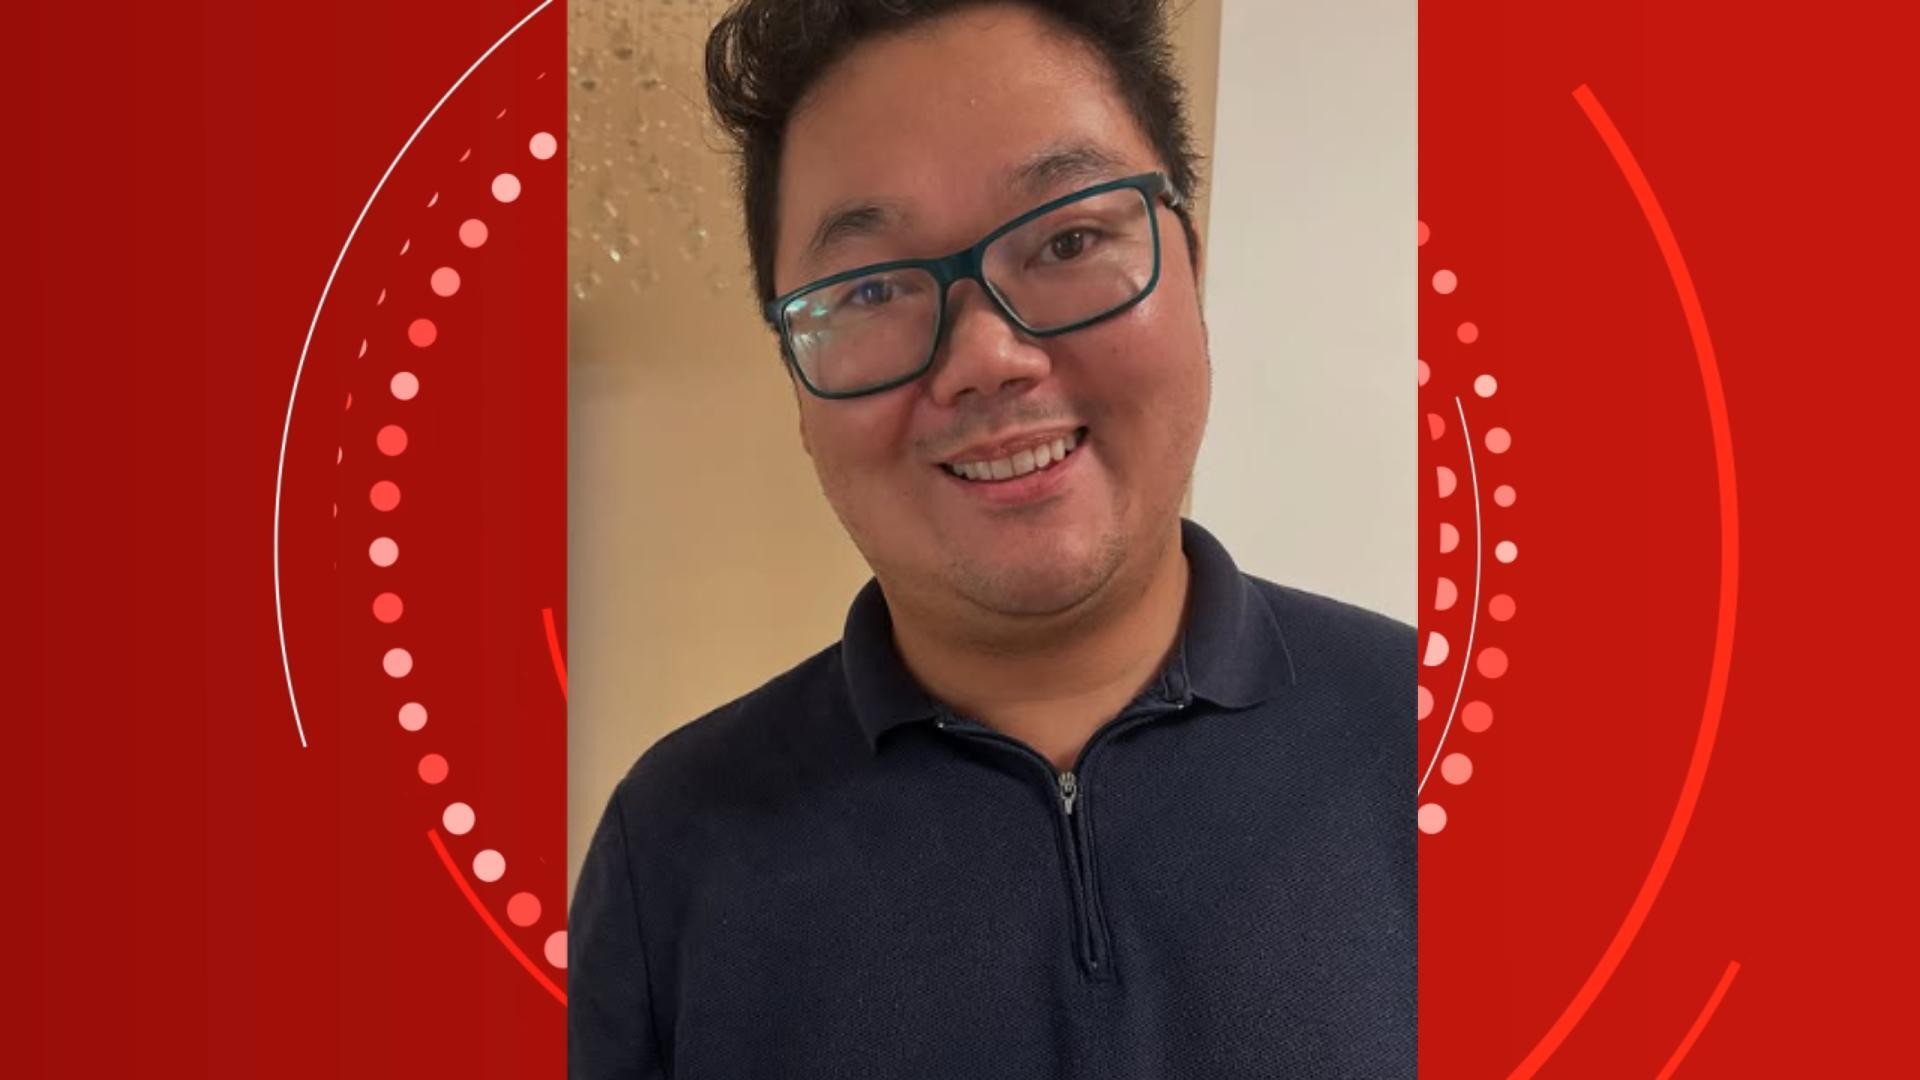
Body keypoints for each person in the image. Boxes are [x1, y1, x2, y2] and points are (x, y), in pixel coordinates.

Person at [568, 1, 1414, 1076]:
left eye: (1067, 240)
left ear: (1190, 270)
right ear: (797, 388)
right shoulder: (671, 849)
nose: (986, 357)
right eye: (871, 288)